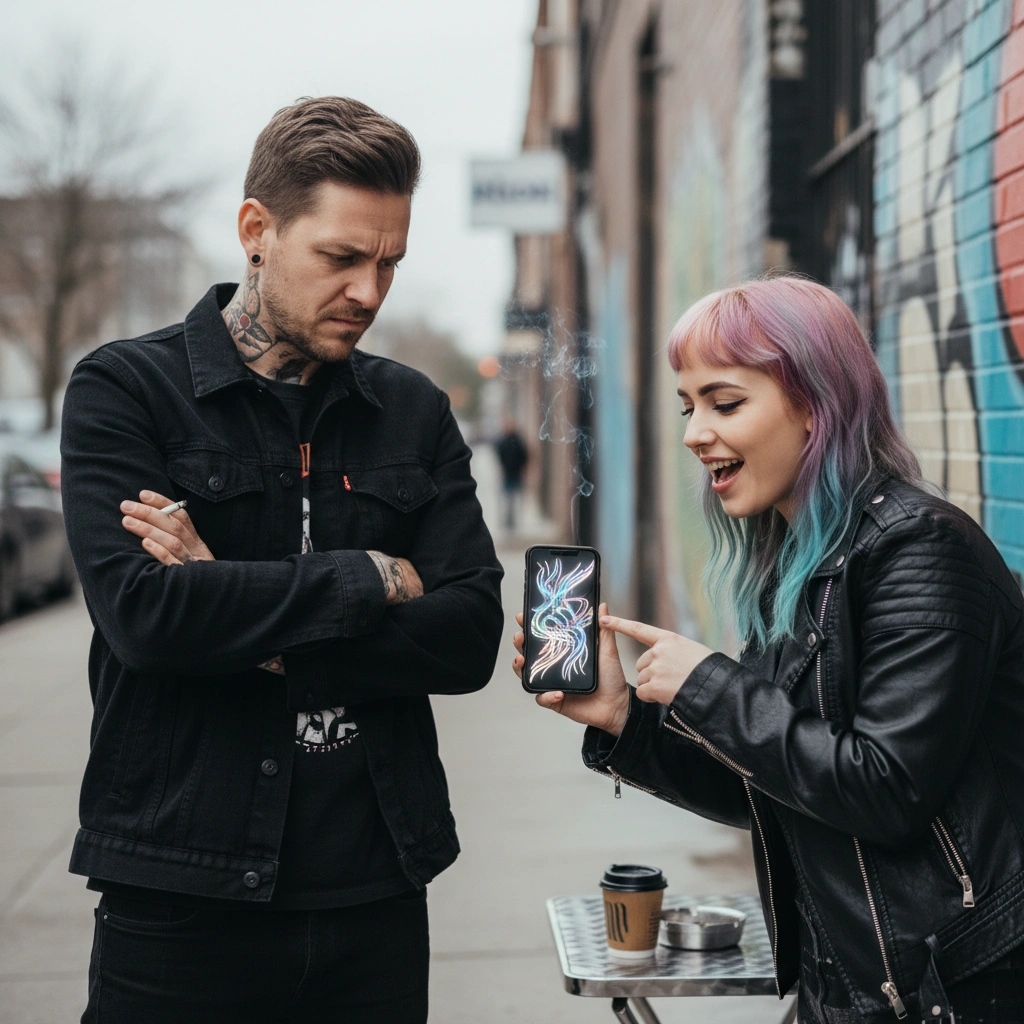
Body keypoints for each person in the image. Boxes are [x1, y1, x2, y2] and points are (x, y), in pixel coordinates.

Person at [61, 96, 504, 1024]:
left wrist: (239, 615)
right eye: (341, 258)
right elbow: (146, 618)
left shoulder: (412, 409)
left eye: (389, 262)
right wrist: (377, 577)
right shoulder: (126, 390)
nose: (371, 292)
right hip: (182, 894)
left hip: (375, 890)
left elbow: (467, 636)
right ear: (257, 231)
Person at [513, 277, 1024, 1023]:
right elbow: (783, 790)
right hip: (855, 986)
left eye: (725, 403)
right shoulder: (800, 567)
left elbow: (883, 790)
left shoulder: (920, 551)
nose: (693, 433)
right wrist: (626, 720)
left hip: (956, 987)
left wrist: (711, 688)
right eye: (688, 407)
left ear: (816, 407)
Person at [495, 417, 529, 530]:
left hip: (516, 473)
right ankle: (508, 520)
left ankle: (513, 520)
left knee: (515, 498)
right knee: (507, 498)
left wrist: (523, 469)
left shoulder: (517, 440)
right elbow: (499, 453)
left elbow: (524, 455)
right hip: (507, 473)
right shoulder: (503, 440)